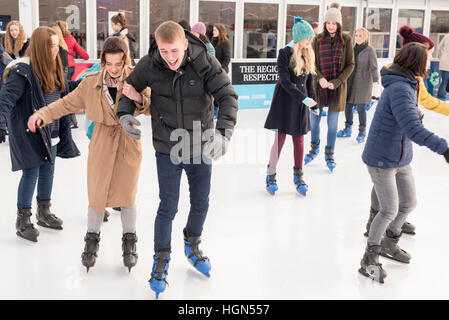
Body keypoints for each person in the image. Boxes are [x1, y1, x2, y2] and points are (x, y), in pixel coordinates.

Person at [116, 20, 238, 298]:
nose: (170, 57)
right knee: (167, 206)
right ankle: (161, 259)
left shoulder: (205, 62)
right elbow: (127, 90)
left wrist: (223, 133)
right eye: (164, 51)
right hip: (167, 147)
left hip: (201, 146)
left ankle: (192, 243)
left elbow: (228, 96)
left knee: (201, 202)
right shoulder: (150, 64)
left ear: (185, 43)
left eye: (174, 50)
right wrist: (125, 115)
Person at [27, 36, 150, 272]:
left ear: (126, 60)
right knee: (97, 193)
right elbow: (66, 103)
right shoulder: (91, 82)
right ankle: (91, 242)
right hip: (102, 141)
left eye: (119, 64)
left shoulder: (136, 78)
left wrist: (137, 97)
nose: (114, 69)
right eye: (109, 63)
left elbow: (153, 104)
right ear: (103, 60)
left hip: (128, 139)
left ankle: (129, 243)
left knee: (127, 194)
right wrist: (42, 114)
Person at [359, 43, 449, 284]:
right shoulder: (400, 88)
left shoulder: (410, 83)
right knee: (389, 209)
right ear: (417, 62)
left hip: (400, 156)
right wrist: (444, 148)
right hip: (381, 158)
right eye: (427, 60)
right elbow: (413, 128)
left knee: (408, 202)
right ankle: (369, 260)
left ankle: (390, 243)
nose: (430, 64)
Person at [0, 26, 80, 242]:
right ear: (40, 47)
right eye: (52, 46)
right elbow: (5, 101)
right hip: (30, 133)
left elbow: (64, 90)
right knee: (31, 174)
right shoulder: (22, 71)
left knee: (47, 172)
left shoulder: (53, 67)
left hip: (51, 133)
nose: (56, 50)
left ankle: (43, 212)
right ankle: (23, 220)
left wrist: (84, 83)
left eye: (57, 45)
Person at [264, 17, 317, 196]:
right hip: (285, 103)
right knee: (279, 140)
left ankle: (299, 175)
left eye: (311, 38)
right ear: (298, 37)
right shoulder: (285, 53)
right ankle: (270, 174)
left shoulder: (308, 53)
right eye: (307, 38)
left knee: (299, 140)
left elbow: (310, 83)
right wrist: (305, 99)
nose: (310, 41)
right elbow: (285, 82)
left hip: (301, 104)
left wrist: (313, 102)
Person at [304, 2, 354, 172]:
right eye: (328, 23)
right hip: (318, 88)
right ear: (325, 24)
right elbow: (311, 63)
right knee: (315, 121)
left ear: (339, 24)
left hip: (337, 89)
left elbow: (350, 64)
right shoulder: (317, 40)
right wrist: (320, 78)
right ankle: (314, 148)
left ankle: (329, 153)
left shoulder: (346, 39)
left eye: (334, 23)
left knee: (332, 125)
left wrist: (338, 81)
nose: (331, 26)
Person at [337, 27, 378, 143]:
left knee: (361, 108)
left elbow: (374, 67)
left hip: (364, 83)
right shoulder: (351, 49)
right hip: (350, 81)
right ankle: (347, 128)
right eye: (356, 35)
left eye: (360, 35)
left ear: (365, 37)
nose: (358, 38)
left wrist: (376, 83)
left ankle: (362, 131)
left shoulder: (370, 50)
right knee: (348, 106)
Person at [438, 32, 449, 101]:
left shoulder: (447, 35)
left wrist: (441, 57)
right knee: (446, 82)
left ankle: (441, 96)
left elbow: (439, 47)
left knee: (443, 81)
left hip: (443, 61)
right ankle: (443, 98)